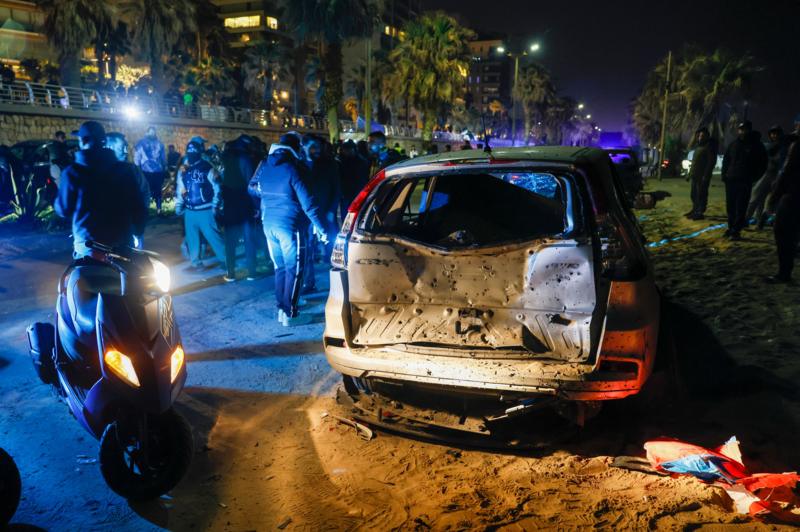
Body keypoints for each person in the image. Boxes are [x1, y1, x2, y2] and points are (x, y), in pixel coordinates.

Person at [249, 133, 329, 326]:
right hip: (290, 226)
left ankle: (282, 309)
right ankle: (291, 314)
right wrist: (321, 228)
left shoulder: (265, 166)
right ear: (295, 150)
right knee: (294, 269)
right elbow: (308, 203)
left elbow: (252, 188)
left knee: (280, 268)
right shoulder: (293, 169)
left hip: (268, 225)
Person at [54, 121, 148, 257]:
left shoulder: (72, 173)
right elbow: (139, 207)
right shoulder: (125, 170)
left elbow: (63, 209)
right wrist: (138, 232)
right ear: (103, 141)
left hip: (88, 248)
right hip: (122, 245)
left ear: (82, 140)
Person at [175, 140, 226, 271]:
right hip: (190, 210)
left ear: (199, 153)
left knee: (213, 236)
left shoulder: (207, 167)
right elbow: (181, 188)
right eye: (189, 151)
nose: (191, 154)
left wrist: (215, 205)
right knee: (192, 239)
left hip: (206, 209)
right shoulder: (184, 170)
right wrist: (179, 204)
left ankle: (225, 259)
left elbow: (217, 188)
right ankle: (196, 263)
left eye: (194, 151)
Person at [300, 135, 341, 293]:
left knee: (332, 247)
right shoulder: (299, 164)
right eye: (312, 147)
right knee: (307, 249)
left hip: (325, 213)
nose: (316, 150)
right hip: (306, 215)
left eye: (318, 147)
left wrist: (331, 211)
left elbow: (336, 190)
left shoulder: (329, 164)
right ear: (303, 147)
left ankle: (338, 282)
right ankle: (309, 283)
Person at [220, 135, 259, 281]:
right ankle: (251, 272)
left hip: (229, 204)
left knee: (230, 240)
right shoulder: (245, 159)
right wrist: (256, 206)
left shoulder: (224, 159)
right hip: (245, 204)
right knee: (249, 239)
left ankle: (231, 273)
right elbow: (250, 184)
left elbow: (221, 182)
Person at [766, 116, 800, 283]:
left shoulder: (796, 145)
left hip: (792, 194)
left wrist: (773, 197)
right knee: (792, 234)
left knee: (783, 232)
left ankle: (784, 273)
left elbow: (786, 173)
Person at [721, 121, 767, 240]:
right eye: (741, 129)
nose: (742, 131)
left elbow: (763, 164)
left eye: (745, 129)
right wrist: (724, 175)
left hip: (745, 181)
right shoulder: (734, 144)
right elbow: (726, 160)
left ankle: (736, 231)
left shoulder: (756, 145)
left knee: (740, 207)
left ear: (749, 130)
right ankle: (731, 228)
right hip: (731, 179)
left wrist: (753, 177)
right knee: (730, 206)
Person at [106, 132, 151, 248]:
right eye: (122, 147)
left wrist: (139, 224)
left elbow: (145, 193)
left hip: (130, 229)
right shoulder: (97, 171)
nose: (126, 151)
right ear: (109, 147)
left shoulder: (132, 170)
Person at [746, 125, 787, 229]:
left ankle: (760, 221)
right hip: (767, 174)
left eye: (777, 133)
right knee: (756, 198)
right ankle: (748, 219)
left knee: (771, 202)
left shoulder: (784, 147)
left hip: (777, 176)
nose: (774, 136)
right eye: (773, 133)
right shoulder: (768, 146)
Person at [134, 126, 167, 215]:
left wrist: (165, 167)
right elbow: (137, 157)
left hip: (155, 171)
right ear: (147, 132)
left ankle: (157, 210)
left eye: (154, 132)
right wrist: (137, 169)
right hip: (148, 172)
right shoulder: (142, 143)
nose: (153, 134)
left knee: (154, 191)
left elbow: (163, 158)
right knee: (149, 191)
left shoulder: (159, 144)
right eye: (151, 132)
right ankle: (149, 210)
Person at [685, 127, 717, 220]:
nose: (700, 137)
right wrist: (689, 174)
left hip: (702, 177)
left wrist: (706, 176)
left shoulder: (709, 147)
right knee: (694, 194)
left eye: (702, 135)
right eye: (699, 135)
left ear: (707, 136)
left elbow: (711, 163)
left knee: (701, 195)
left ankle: (699, 212)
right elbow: (694, 162)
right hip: (695, 176)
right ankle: (695, 210)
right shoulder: (699, 147)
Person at [338, 139, 370, 218]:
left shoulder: (361, 161)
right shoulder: (339, 162)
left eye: (349, 149)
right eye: (346, 150)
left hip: (357, 193)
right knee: (346, 214)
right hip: (346, 193)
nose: (348, 151)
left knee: (356, 215)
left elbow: (363, 177)